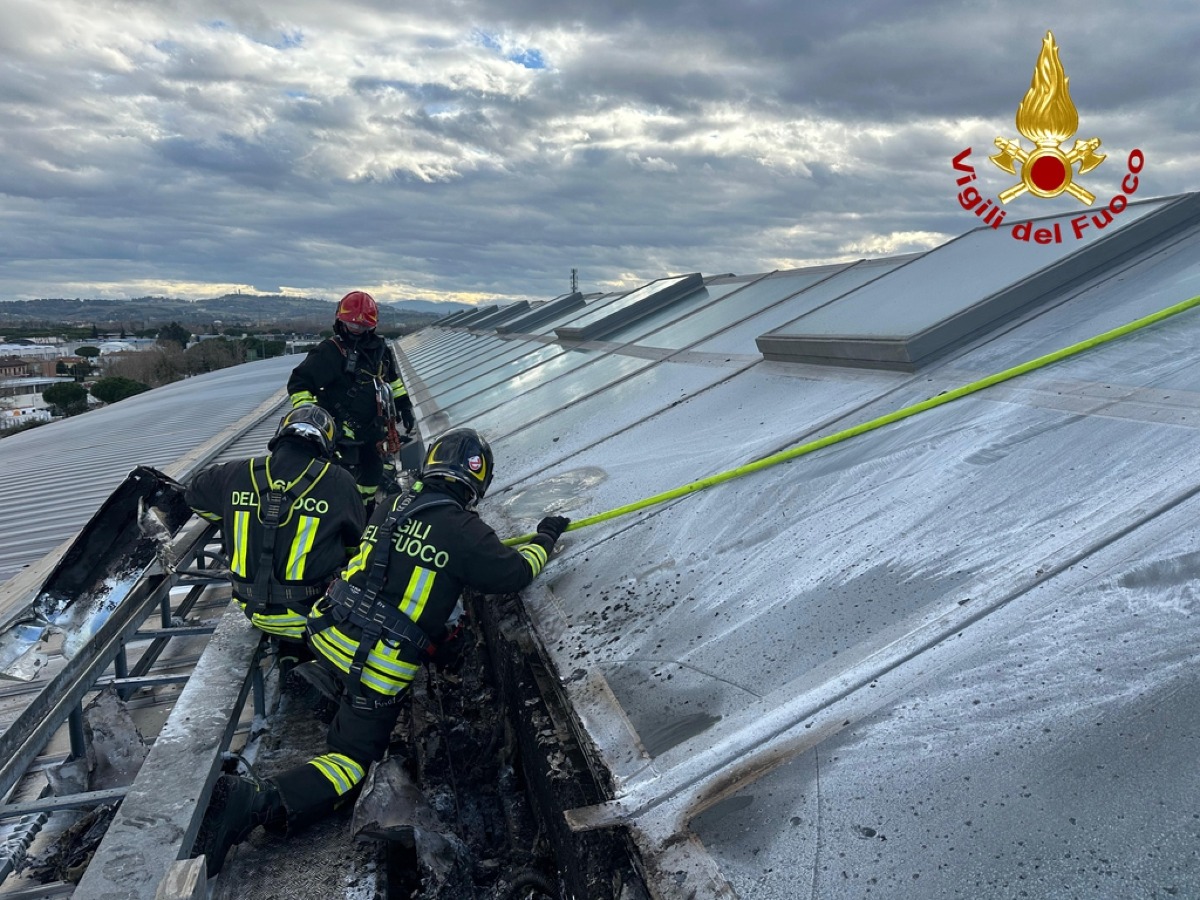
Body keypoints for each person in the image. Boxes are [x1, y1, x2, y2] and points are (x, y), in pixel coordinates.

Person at [193, 427, 570, 876]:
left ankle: (324, 679)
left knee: (358, 671)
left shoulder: (394, 504)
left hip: (325, 631)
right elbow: (515, 573)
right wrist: (545, 537)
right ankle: (256, 802)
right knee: (353, 763)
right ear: (477, 480)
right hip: (373, 664)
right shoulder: (463, 529)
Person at [185, 405, 365, 656]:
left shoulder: (236, 472)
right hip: (311, 611)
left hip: (251, 608)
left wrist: (231, 519)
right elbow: (357, 548)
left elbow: (193, 496)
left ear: (280, 435)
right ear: (327, 445)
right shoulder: (339, 481)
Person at [287, 290, 417, 507]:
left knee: (371, 478)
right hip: (340, 436)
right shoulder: (330, 351)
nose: (357, 330)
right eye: (352, 325)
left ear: (372, 326)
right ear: (341, 321)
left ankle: (364, 511)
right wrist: (315, 417)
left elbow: (392, 381)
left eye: (363, 326)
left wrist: (404, 406)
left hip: (372, 433)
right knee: (338, 483)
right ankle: (342, 513)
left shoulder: (380, 351)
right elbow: (298, 383)